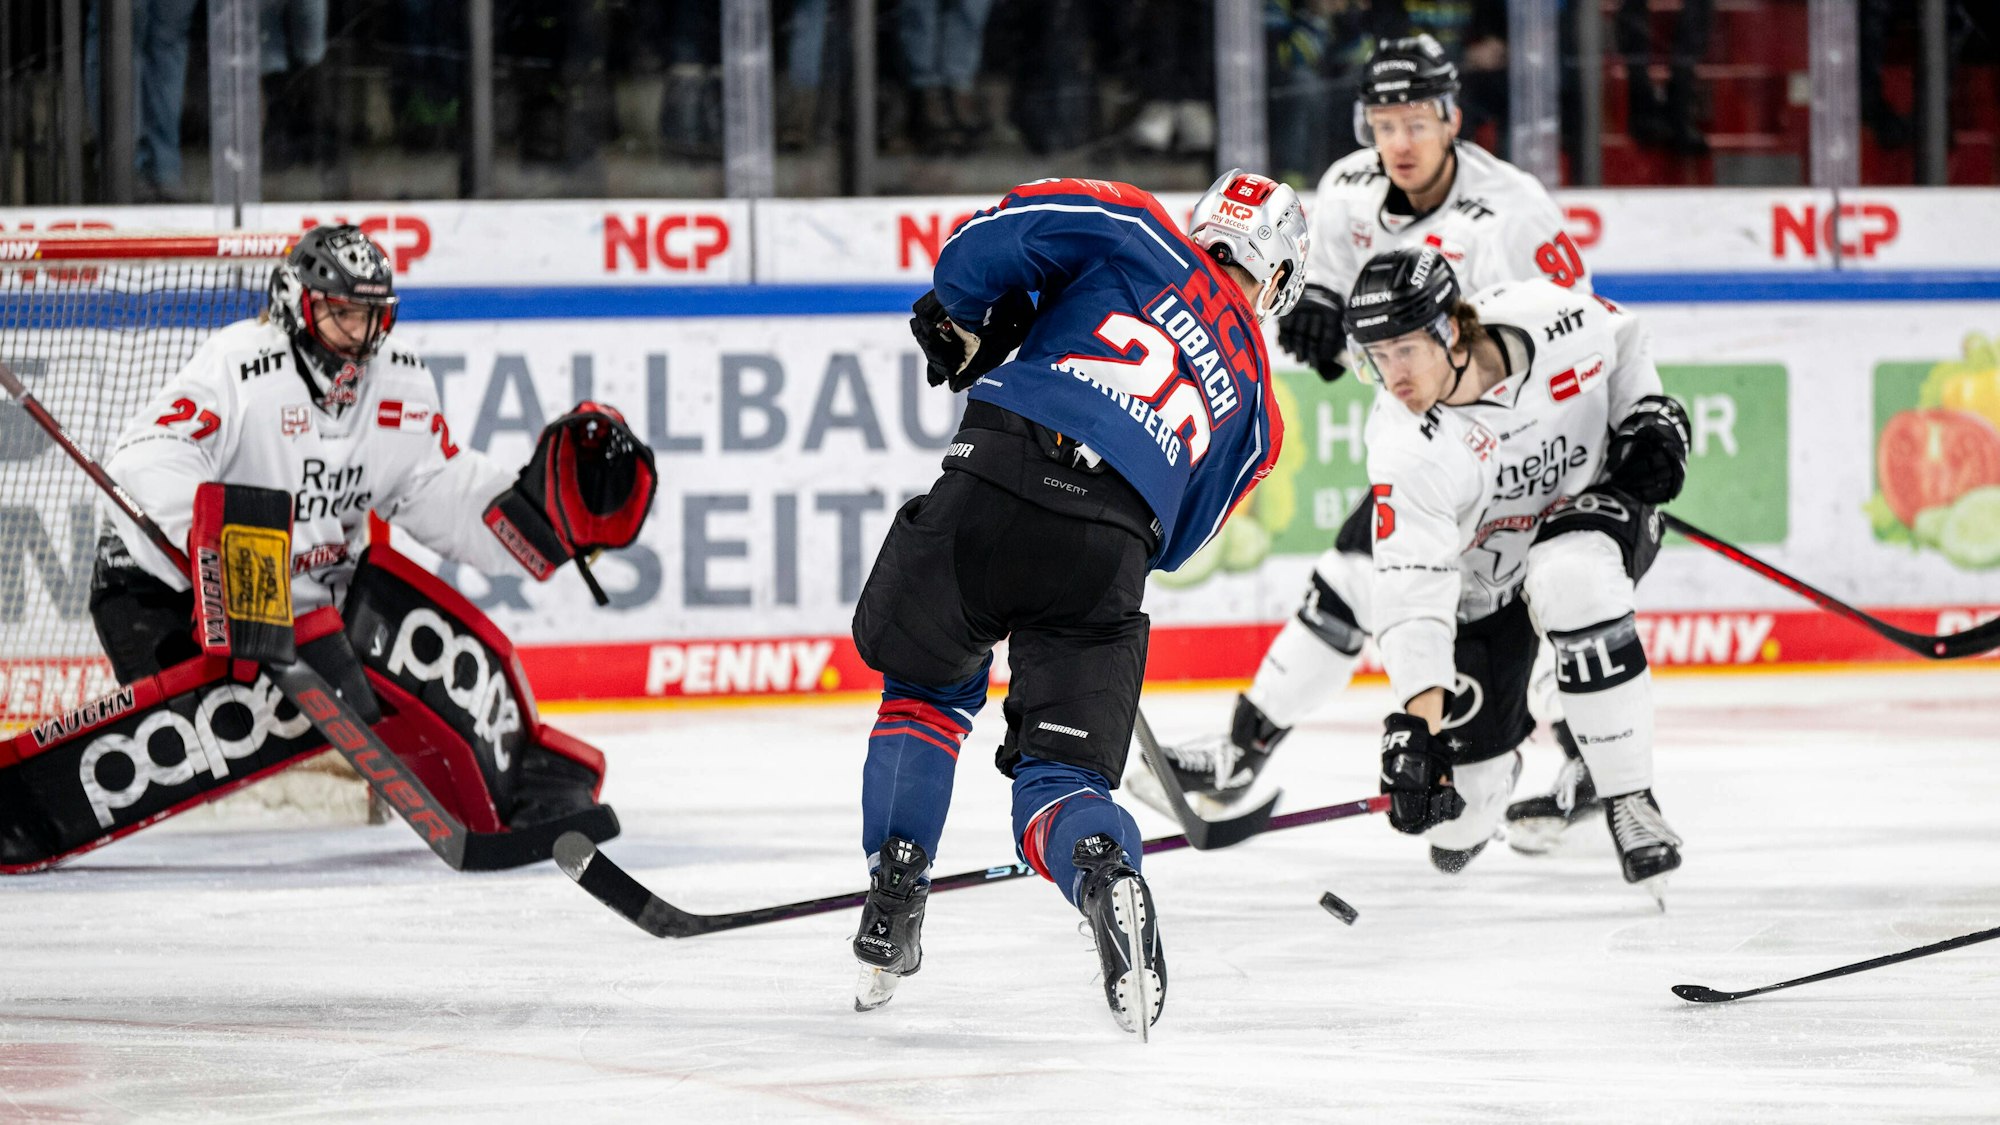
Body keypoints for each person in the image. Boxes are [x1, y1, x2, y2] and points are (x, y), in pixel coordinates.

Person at [5, 224, 658, 868]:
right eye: (342, 314)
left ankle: (514, 775)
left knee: (385, 625)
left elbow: (434, 488)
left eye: (373, 316)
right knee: (241, 703)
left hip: (299, 616)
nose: (360, 335)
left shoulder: (397, 383)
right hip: (162, 594)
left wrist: (532, 519)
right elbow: (148, 457)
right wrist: (225, 549)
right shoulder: (242, 363)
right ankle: (23, 807)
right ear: (297, 303)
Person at [848, 171, 1309, 1035]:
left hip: (995, 474)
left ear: (1205, 223)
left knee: (927, 692)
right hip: (1110, 549)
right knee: (1060, 777)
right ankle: (1106, 873)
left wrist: (976, 320)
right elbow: (1181, 540)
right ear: (1277, 279)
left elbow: (974, 253)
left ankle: (895, 888)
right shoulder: (1259, 414)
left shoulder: (1136, 226)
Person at [1155, 32, 1599, 840]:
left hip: (1519, 452)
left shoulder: (1514, 212)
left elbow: (1575, 330)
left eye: (1415, 122)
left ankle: (1582, 760)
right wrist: (1317, 322)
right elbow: (1313, 294)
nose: (1398, 142)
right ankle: (1239, 752)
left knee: (1535, 600)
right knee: (1352, 579)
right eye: (1382, 122)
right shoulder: (1346, 190)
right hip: (1427, 448)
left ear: (1452, 117)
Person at [1346, 246, 1687, 899]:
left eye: (1405, 351)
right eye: (1375, 358)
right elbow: (1412, 583)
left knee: (1571, 576)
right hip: (1488, 587)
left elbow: (1626, 338)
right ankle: (1494, 776)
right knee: (1454, 834)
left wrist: (1646, 417)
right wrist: (1422, 727)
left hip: (1588, 513)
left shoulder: (1551, 317)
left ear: (1452, 329)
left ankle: (1627, 796)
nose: (1393, 377)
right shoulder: (1404, 445)